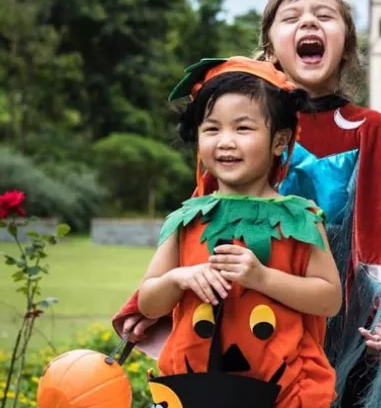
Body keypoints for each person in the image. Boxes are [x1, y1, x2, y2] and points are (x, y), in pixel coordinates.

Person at [112, 0, 381, 408]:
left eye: (324, 16)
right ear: (269, 44)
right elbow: (199, 218)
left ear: (346, 42)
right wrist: (144, 305)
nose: (308, 22)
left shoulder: (364, 126)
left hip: (338, 309)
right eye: (292, 17)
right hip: (243, 312)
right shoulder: (236, 118)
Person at [135, 57, 340, 408]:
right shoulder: (187, 218)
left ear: (279, 140)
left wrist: (261, 277)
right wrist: (180, 278)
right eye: (212, 129)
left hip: (286, 391)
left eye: (243, 129)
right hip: (195, 390)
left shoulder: (301, 217)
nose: (225, 141)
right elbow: (148, 302)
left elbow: (329, 299)